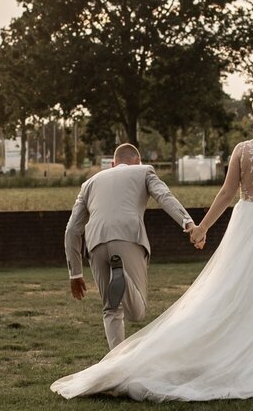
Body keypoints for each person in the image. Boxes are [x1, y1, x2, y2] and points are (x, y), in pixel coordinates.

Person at [51, 88, 253, 401]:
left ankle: (234, 351)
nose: (252, 119)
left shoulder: (243, 150)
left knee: (233, 288)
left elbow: (225, 194)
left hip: (248, 222)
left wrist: (201, 228)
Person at [63, 142, 196, 349]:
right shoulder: (143, 171)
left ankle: (116, 363)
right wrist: (187, 222)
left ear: (113, 164)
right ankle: (121, 274)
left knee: (110, 309)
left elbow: (72, 229)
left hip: (95, 242)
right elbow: (163, 196)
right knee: (137, 312)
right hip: (128, 236)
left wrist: (75, 274)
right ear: (138, 161)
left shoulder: (89, 183)